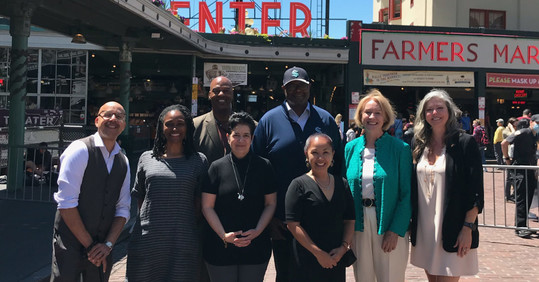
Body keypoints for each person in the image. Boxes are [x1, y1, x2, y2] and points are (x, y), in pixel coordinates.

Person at [252, 66, 343, 282]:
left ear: (309, 88)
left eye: (301, 86)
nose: (296, 91)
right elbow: (257, 170)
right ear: (283, 90)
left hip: (323, 219)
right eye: (291, 86)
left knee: (324, 273)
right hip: (282, 221)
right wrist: (269, 217)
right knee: (287, 275)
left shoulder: (326, 120)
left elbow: (338, 167)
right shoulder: (268, 121)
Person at [50, 101, 131, 281]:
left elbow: (123, 208)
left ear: (124, 124)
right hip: (70, 242)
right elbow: (66, 204)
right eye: (107, 114)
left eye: (119, 116)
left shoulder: (123, 161)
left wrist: (108, 245)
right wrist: (92, 246)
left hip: (102, 245)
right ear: (96, 121)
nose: (113, 119)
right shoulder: (79, 150)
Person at [127, 105, 209, 280]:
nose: (174, 128)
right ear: (160, 128)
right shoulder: (146, 158)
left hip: (183, 239)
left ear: (187, 127)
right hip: (148, 239)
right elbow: (140, 197)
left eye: (180, 124)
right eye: (169, 124)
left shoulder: (198, 161)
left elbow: (199, 203)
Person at [410, 89, 484, 281]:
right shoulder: (418, 144)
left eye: (439, 108)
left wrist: (468, 227)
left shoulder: (465, 143)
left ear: (449, 111)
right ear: (423, 115)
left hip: (453, 226)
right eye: (429, 109)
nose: (435, 113)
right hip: (424, 227)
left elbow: (475, 190)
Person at [344, 89, 412, 282]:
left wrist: (396, 229)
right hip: (358, 224)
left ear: (385, 117)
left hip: (388, 222)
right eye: (367, 112)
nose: (371, 117)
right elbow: (344, 190)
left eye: (377, 113)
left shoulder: (400, 149)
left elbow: (406, 194)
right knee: (363, 277)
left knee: (390, 277)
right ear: (360, 116)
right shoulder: (350, 148)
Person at [201, 112, 277, 282]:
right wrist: (223, 235)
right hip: (220, 245)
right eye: (236, 135)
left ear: (252, 138)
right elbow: (207, 206)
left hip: (255, 245)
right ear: (228, 138)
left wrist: (258, 231)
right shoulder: (216, 167)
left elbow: (270, 203)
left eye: (246, 135)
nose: (241, 140)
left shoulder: (264, 166)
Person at [286, 133, 355, 282]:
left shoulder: (342, 184)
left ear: (333, 154)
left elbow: (349, 219)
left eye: (325, 152)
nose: (320, 158)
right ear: (306, 154)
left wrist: (343, 248)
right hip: (307, 259)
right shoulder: (298, 185)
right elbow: (293, 225)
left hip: (335, 258)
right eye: (315, 153)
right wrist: (318, 254)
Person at [501, 116, 538, 238]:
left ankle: (523, 225)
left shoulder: (534, 135)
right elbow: (504, 143)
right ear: (531, 122)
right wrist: (507, 159)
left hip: (530, 170)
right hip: (521, 170)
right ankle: (520, 227)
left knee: (528, 197)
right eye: (537, 122)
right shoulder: (523, 132)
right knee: (522, 198)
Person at [194, 76, 234, 165]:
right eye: (216, 91)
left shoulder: (249, 126)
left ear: (232, 94)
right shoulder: (195, 126)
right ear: (209, 95)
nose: (221, 94)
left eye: (226, 91)